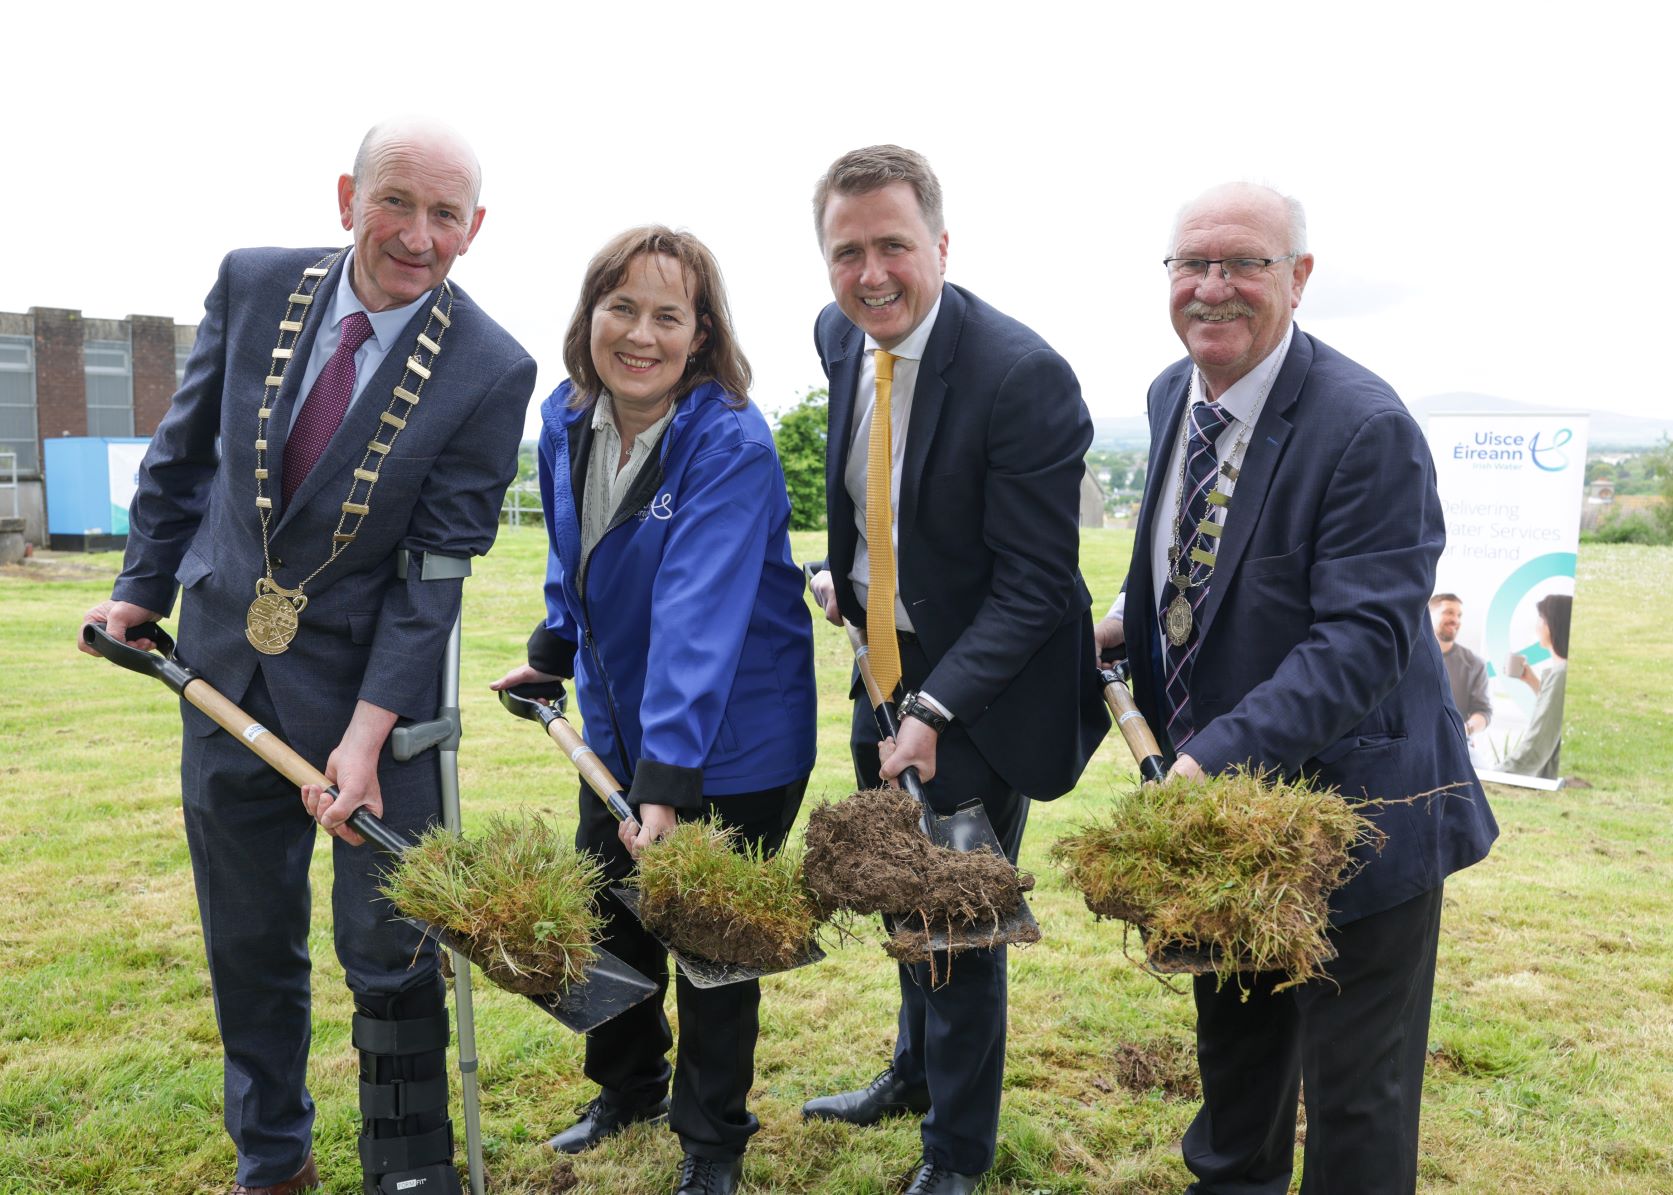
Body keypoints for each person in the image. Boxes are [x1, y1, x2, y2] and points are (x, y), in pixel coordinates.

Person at [78, 121, 535, 1195]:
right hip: (225, 675)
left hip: (380, 704)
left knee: (389, 952)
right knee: (248, 946)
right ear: (346, 196)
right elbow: (183, 457)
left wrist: (366, 737)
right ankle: (273, 1161)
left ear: (475, 228)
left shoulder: (488, 366)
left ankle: (407, 1170)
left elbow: (432, 577)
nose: (418, 237)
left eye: (444, 215)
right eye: (396, 203)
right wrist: (142, 590)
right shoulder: (252, 286)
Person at [1097, 182, 1499, 1195]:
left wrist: (1205, 758)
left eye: (1244, 264)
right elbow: (1202, 567)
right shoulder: (1166, 394)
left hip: (1357, 819)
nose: (1211, 288)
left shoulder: (1363, 427)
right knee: (1236, 1077)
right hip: (1227, 821)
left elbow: (1359, 640)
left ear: (1299, 279)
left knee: (1353, 1105)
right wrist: (1124, 619)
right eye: (1190, 264)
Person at [800, 145, 1108, 1195]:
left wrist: (932, 705)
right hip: (876, 671)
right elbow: (877, 500)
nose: (871, 273)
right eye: (847, 252)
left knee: (958, 921)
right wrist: (850, 579)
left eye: (893, 245)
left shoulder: (1022, 378)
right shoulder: (839, 338)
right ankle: (911, 1075)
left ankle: (956, 1154)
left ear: (941, 243)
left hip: (977, 694)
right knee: (900, 892)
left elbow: (1033, 585)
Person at [490, 226, 816, 1195]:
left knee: (712, 939)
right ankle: (626, 1086)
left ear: (700, 330)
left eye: (665, 314)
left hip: (736, 739)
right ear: (589, 315)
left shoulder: (729, 442)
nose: (639, 333)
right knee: (608, 917)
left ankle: (711, 1141)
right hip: (623, 725)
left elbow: (696, 619)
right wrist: (551, 651)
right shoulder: (565, 416)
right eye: (620, 307)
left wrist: (665, 786)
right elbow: (572, 552)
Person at [1502, 593, 1571, 778]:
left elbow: (1535, 750)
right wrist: (1532, 682)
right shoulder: (1560, 674)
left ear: (1553, 624)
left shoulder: (1561, 674)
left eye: (1541, 618)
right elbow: (1557, 713)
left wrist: (1496, 773)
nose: (1537, 625)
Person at [1430, 593, 1492, 735]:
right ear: (1428, 615)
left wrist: (1465, 730)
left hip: (1455, 744)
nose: (1455, 620)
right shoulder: (1407, 656)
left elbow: (1483, 711)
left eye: (1459, 615)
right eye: (1448, 612)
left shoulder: (1474, 664)